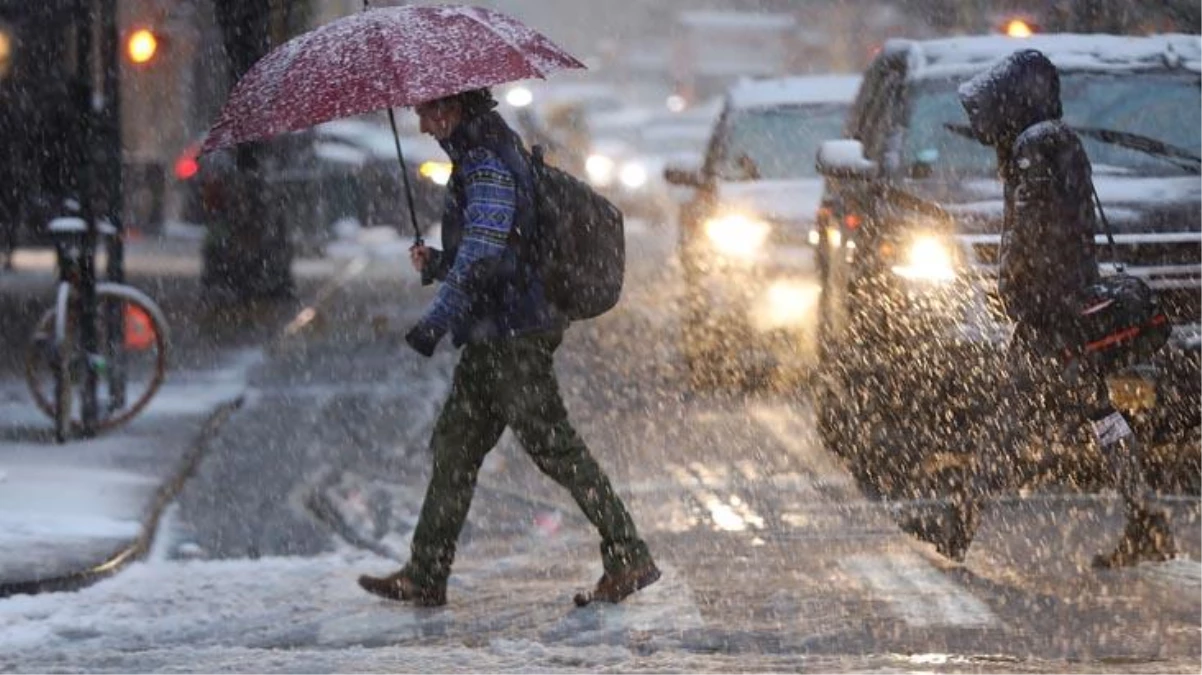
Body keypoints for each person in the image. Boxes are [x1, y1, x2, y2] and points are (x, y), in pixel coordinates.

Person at [357, 88, 660, 607]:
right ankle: (426, 572)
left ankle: (627, 553)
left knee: (555, 448)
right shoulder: (483, 154)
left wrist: (435, 321)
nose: (424, 125)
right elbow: (491, 250)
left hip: (514, 335)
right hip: (493, 333)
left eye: (428, 112)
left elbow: (484, 256)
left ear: (452, 108)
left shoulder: (487, 162)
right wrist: (436, 264)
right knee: (455, 446)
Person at [919, 49, 1176, 568]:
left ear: (1014, 101)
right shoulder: (1053, 142)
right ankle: (1144, 518)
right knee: (1095, 414)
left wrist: (1020, 292)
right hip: (1065, 305)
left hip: (1051, 315)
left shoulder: (1035, 148)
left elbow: (1032, 236)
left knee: (1011, 422)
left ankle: (961, 523)